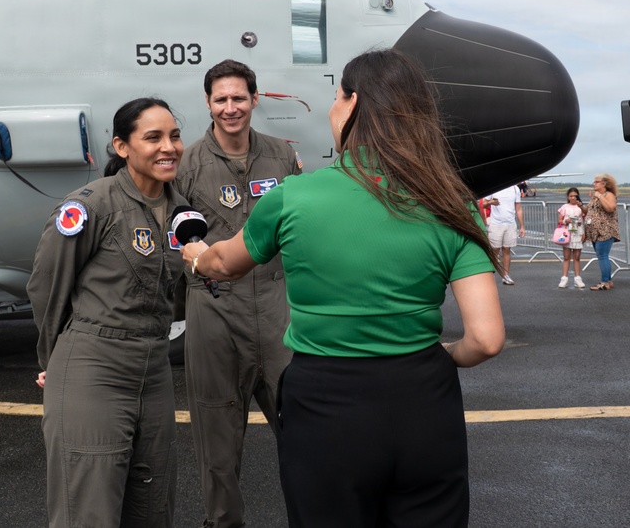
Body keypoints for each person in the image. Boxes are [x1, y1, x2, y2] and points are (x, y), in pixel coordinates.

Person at [180, 49, 505, 528]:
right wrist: (440, 356)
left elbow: (223, 264)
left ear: (352, 106)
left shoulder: (293, 197)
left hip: (326, 405)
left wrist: (195, 256)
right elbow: (486, 339)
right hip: (423, 400)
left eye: (336, 98)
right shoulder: (451, 200)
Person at [28, 98, 187, 527]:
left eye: (174, 135)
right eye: (152, 137)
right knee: (89, 511)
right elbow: (47, 285)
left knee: (153, 510)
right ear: (122, 146)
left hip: (154, 371)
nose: (168, 146)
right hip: (95, 367)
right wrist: (54, 359)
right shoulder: (91, 206)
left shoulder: (181, 210)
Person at [174, 59, 302, 527]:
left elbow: (297, 228)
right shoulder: (185, 164)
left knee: (304, 432)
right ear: (208, 103)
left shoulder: (281, 157)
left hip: (277, 310)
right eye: (221, 99)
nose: (231, 108)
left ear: (254, 99)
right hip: (214, 310)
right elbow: (172, 241)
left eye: (239, 98)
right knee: (218, 443)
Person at [584, 173, 620, 290]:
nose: (593, 184)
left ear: (603, 183)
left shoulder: (608, 195)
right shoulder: (596, 196)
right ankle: (608, 281)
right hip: (595, 232)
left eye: (596, 182)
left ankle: (604, 282)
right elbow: (590, 210)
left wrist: (599, 196)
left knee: (603, 256)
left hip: (606, 230)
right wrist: (581, 206)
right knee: (601, 256)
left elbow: (610, 208)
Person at [486, 183, 526, 285]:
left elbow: (518, 209)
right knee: (494, 250)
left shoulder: (515, 188)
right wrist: (491, 202)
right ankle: (489, 275)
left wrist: (522, 226)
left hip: (510, 224)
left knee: (507, 249)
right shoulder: (494, 187)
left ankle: (506, 275)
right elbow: (483, 203)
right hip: (496, 224)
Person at [557, 187, 587, 288]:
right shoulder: (565, 207)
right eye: (571, 196)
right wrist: (566, 221)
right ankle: (564, 278)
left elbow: (584, 219)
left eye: (575, 196)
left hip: (578, 231)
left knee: (577, 257)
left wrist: (584, 233)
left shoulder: (581, 207)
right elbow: (559, 220)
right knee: (566, 257)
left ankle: (577, 278)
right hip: (567, 232)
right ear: (568, 197)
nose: (573, 198)